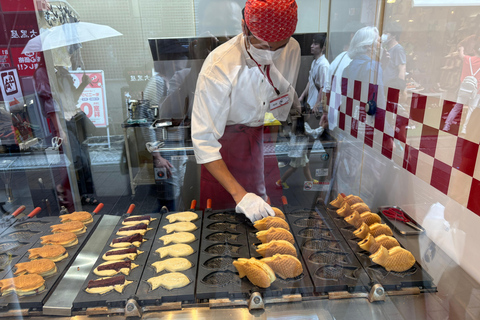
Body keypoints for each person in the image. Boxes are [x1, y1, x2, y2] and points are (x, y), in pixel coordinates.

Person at [191, 0, 300, 222]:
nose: (271, 54)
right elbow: (204, 142)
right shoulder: (219, 66)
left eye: (279, 47)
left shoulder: (293, 49)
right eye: (263, 46)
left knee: (272, 224)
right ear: (244, 27)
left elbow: (279, 110)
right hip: (225, 153)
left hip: (261, 147)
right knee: (222, 226)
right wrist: (240, 195)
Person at [276, 112, 327, 189]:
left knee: (306, 166)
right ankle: (281, 181)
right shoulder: (304, 125)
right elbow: (313, 133)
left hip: (298, 151)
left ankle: (310, 181)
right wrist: (322, 127)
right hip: (299, 152)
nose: (310, 114)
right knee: (293, 168)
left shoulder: (295, 124)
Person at [443, 44, 480, 134]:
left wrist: (461, 48)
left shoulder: (468, 59)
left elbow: (460, 54)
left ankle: (447, 125)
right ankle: (464, 128)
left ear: (474, 50)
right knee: (471, 109)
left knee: (457, 107)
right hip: (477, 89)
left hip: (464, 88)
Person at [299, 34, 329, 115]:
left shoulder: (323, 65)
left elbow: (324, 87)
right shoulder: (314, 62)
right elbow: (310, 82)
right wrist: (301, 97)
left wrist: (317, 104)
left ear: (323, 48)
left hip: (317, 108)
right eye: (312, 43)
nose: (312, 46)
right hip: (311, 104)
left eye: (315, 44)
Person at [381, 22, 406, 89]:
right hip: (383, 86)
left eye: (386, 33)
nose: (383, 35)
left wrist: (399, 89)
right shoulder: (386, 48)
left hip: (390, 87)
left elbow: (402, 70)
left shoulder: (398, 49)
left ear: (394, 35)